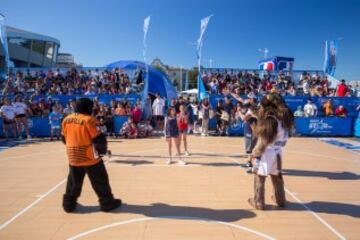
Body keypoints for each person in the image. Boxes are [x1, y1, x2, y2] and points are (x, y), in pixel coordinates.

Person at [61, 98, 121, 213]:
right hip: (90, 157)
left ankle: (68, 204)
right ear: (87, 107)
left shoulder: (66, 119)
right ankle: (107, 203)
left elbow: (64, 138)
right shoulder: (89, 120)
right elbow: (99, 139)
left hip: (73, 156)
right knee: (100, 181)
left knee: (73, 182)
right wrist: (102, 152)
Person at [248, 93, 293, 210]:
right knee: (276, 176)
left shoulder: (270, 119)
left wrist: (254, 154)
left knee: (259, 176)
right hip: (278, 152)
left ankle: (258, 202)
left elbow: (264, 141)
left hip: (266, 153)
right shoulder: (284, 117)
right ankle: (280, 200)